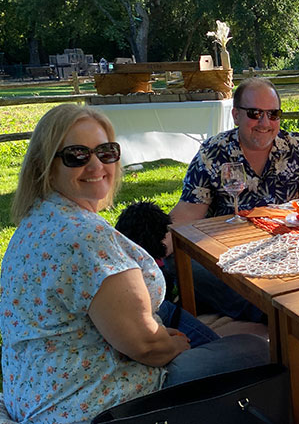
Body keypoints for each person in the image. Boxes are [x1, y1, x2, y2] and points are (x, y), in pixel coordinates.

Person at [0, 104, 269, 423]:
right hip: (97, 403)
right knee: (257, 349)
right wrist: (173, 345)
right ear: (46, 164)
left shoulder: (35, 220)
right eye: (77, 155)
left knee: (181, 309)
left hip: (38, 388)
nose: (96, 165)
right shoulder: (85, 238)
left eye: (106, 152)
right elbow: (146, 348)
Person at [168, 77, 299, 321]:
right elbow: (188, 212)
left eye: (273, 114)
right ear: (236, 115)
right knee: (186, 265)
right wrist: (151, 247)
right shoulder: (213, 152)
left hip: (283, 251)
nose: (265, 123)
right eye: (254, 113)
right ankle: (276, 317)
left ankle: (281, 315)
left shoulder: (298, 148)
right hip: (229, 255)